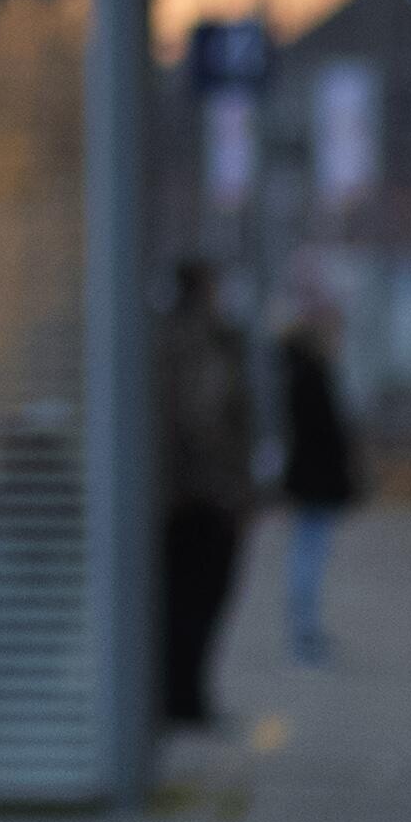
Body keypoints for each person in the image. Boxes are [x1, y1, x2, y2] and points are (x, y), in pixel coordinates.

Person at [153, 257, 255, 732]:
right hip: (203, 500)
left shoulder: (164, 338)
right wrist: (229, 487)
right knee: (198, 603)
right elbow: (203, 420)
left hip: (176, 498)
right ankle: (185, 700)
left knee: (177, 603)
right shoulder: (204, 345)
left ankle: (178, 697)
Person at [275, 296, 368, 666]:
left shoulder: (306, 374)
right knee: (307, 559)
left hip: (312, 482)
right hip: (313, 483)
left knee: (309, 556)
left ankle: (305, 632)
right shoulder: (309, 377)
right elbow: (323, 437)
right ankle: (303, 634)